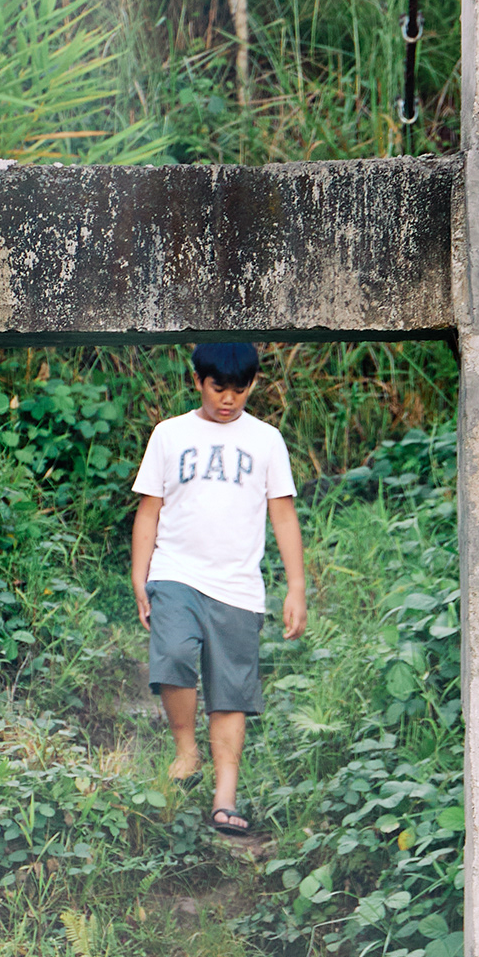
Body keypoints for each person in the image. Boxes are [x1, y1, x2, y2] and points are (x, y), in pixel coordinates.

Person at [130, 337, 306, 838]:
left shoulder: (266, 440)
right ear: (198, 381)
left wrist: (296, 586)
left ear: (253, 384)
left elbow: (283, 515)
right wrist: (140, 575)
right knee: (174, 654)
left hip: (238, 587)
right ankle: (186, 748)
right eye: (217, 388)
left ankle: (224, 798)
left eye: (239, 389)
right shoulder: (169, 434)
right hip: (176, 572)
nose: (228, 399)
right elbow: (149, 510)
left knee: (231, 692)